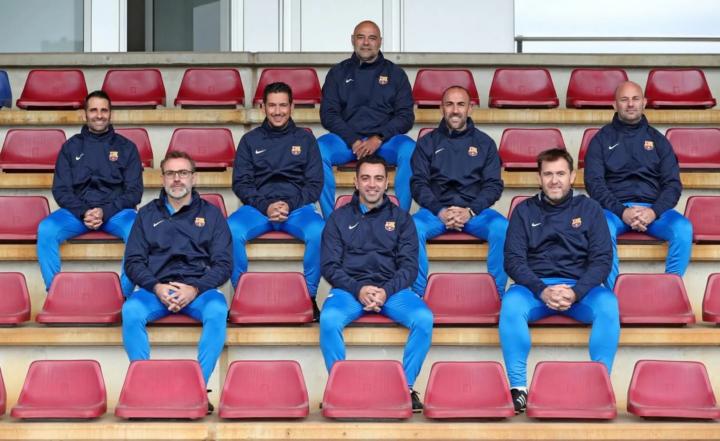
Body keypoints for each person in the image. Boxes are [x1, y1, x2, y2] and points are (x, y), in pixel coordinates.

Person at [500, 148, 619, 414]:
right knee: (511, 304)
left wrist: (576, 292)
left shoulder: (590, 209)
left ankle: (600, 386)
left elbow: (602, 260)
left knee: (608, 305)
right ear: (539, 178)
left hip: (580, 289)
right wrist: (542, 290)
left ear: (572, 176)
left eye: (561, 174)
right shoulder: (524, 211)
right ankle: (518, 388)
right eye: (548, 174)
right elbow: (513, 261)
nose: (554, 181)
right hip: (535, 289)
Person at [319, 155, 433, 412]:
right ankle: (339, 388)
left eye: (378, 178)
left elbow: (409, 267)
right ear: (356, 182)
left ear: (387, 183)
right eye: (366, 178)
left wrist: (385, 291)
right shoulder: (337, 219)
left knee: (423, 318)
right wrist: (358, 289)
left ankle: (405, 388)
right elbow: (330, 266)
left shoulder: (402, 219)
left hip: (392, 291)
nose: (372, 184)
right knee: (329, 319)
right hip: (350, 291)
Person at [122, 151, 231, 413]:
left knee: (218, 310)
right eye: (170, 173)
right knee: (131, 310)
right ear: (162, 179)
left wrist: (195, 289)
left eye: (183, 173)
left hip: (198, 290)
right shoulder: (146, 214)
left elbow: (224, 264)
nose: (177, 179)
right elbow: (133, 262)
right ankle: (142, 388)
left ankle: (197, 389)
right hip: (156, 289)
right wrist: (157, 287)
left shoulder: (212, 215)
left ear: (194, 178)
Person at [228, 82, 325, 319]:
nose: (278, 111)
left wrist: (289, 205)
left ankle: (309, 297)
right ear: (263, 108)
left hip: (298, 209)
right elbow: (241, 183)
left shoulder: (306, 139)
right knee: (230, 228)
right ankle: (241, 295)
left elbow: (314, 184)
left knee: (320, 231)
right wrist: (266, 206)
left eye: (283, 105)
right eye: (272, 106)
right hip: (257, 209)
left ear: (292, 106)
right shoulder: (250, 140)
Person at [584, 80, 692, 289]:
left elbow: (673, 185)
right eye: (624, 99)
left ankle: (671, 290)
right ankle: (615, 293)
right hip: (613, 212)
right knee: (601, 227)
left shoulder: (659, 141)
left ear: (644, 102)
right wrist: (622, 211)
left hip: (654, 211)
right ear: (615, 105)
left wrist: (654, 212)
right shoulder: (601, 139)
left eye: (635, 99)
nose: (630, 104)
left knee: (683, 228)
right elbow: (594, 183)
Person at [37, 90, 142, 296]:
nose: (99, 115)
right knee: (46, 229)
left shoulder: (127, 147)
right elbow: (60, 189)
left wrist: (105, 211)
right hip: (77, 213)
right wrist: (84, 212)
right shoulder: (70, 147)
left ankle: (123, 295)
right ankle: (55, 294)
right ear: (84, 114)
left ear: (111, 113)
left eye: (104, 110)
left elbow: (134, 192)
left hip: (116, 213)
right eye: (93, 110)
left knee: (137, 228)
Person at [410, 85, 508, 296]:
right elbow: (418, 184)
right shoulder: (426, 143)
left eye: (461, 105)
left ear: (470, 108)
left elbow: (493, 185)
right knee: (412, 227)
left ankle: (497, 294)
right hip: (435, 213)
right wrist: (440, 211)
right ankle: (418, 293)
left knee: (502, 228)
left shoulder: (485, 143)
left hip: (475, 213)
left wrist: (470, 211)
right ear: (441, 108)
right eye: (449, 104)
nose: (455, 110)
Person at [318, 20, 415, 218]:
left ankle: (400, 219)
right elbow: (328, 114)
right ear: (352, 40)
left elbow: (405, 116)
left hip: (384, 142)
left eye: (372, 38)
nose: (366, 43)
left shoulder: (396, 74)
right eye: (361, 37)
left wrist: (378, 137)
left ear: (380, 41)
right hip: (346, 142)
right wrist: (352, 140)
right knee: (318, 150)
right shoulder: (337, 73)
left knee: (410, 149)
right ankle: (330, 220)